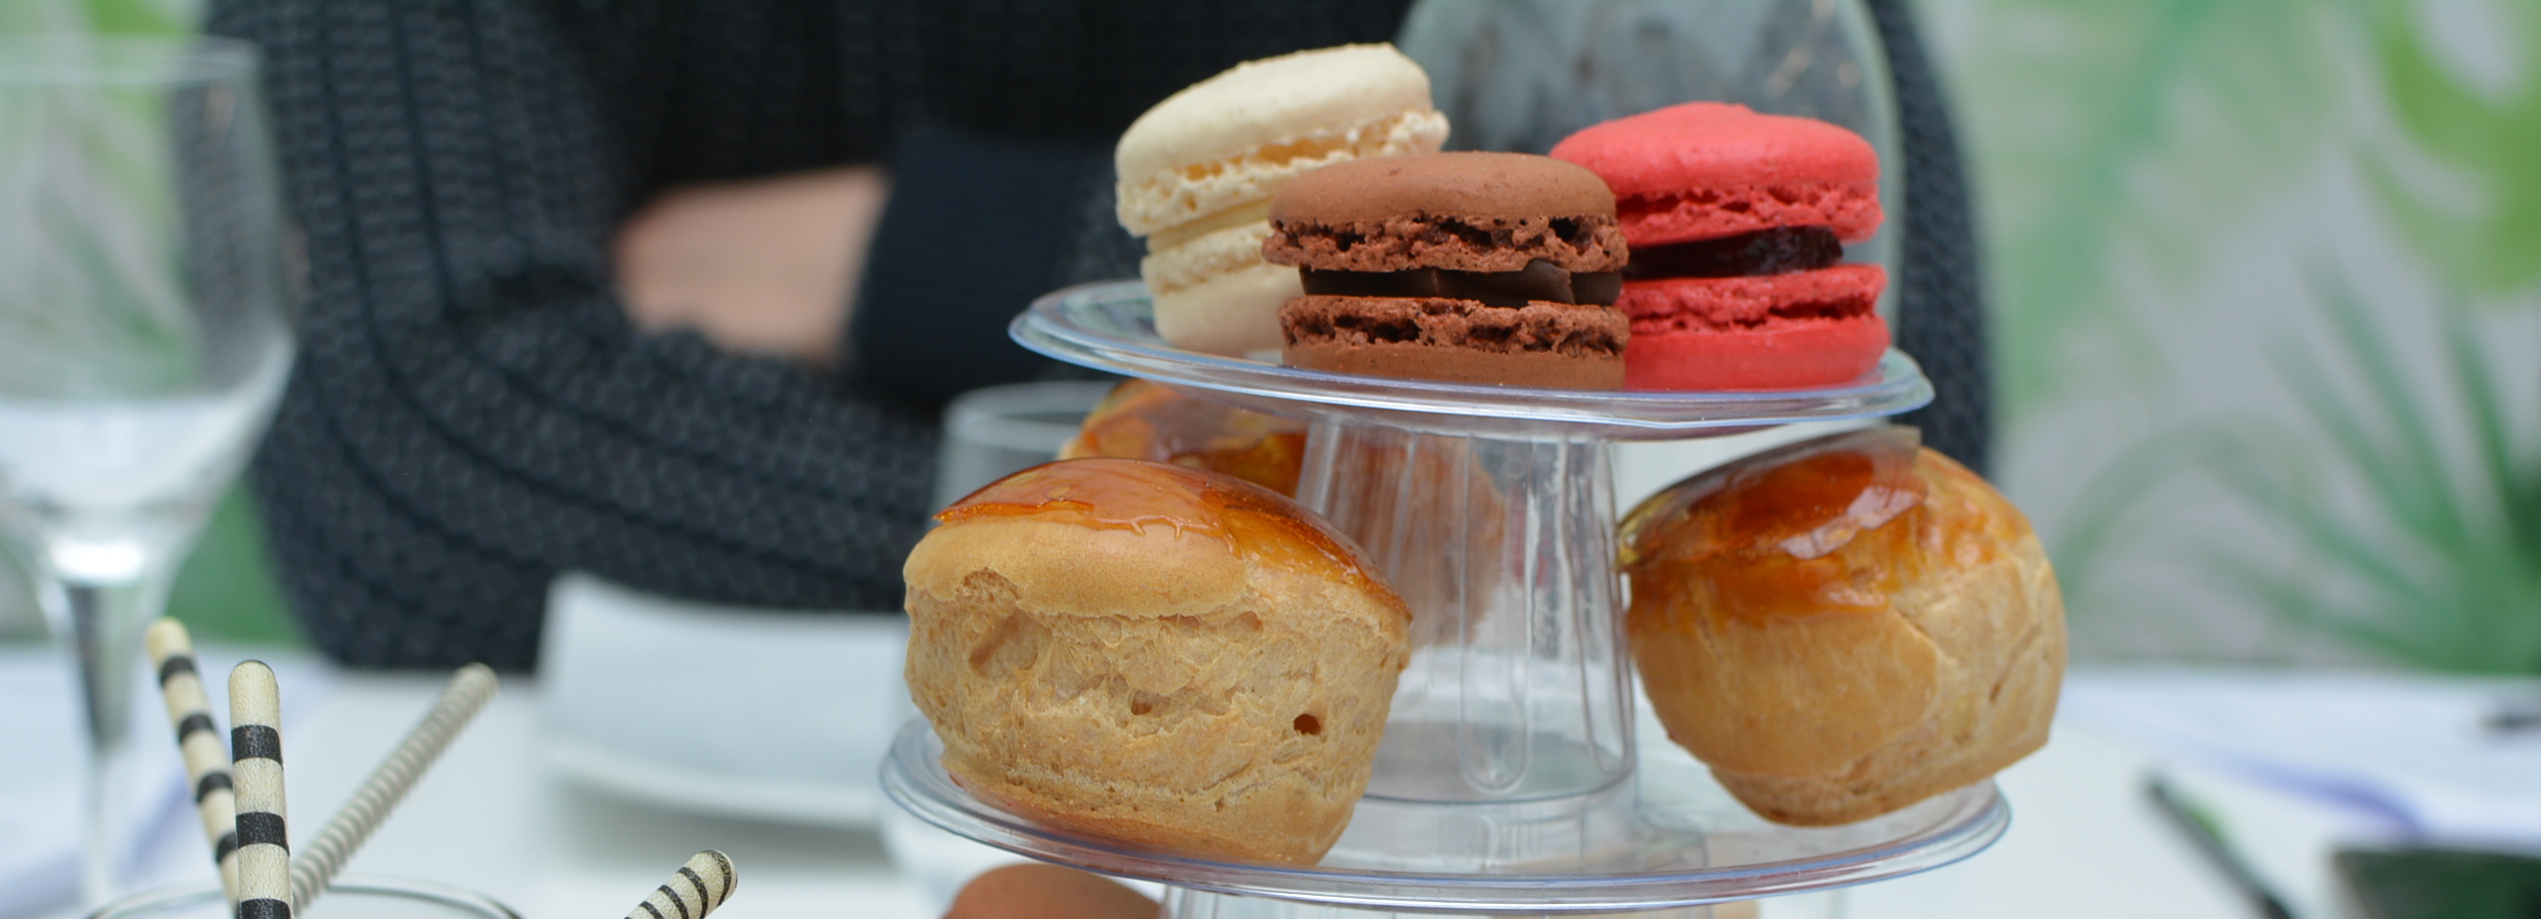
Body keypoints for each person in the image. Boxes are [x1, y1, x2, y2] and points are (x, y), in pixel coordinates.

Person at [213, 1, 1986, 669]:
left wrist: (912, 251)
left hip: (1427, 845)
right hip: (666, 853)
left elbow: (1858, 416)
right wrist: (1275, 548)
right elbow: (417, 461)